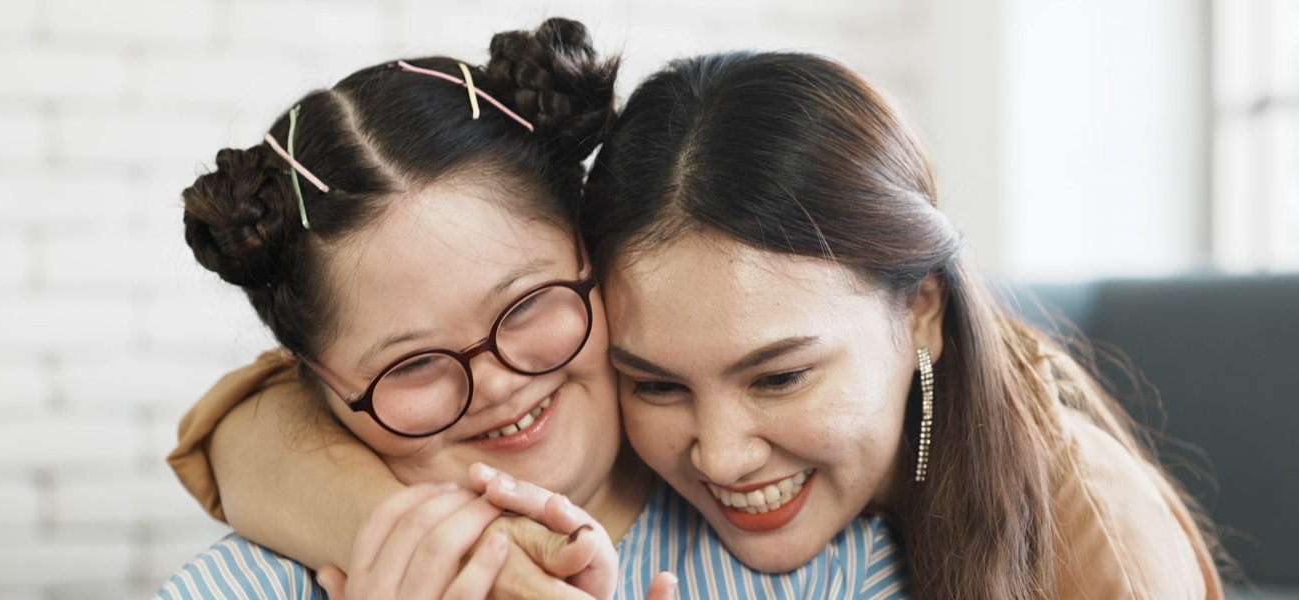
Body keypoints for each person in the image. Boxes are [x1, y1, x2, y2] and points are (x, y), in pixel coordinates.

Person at [169, 46, 1225, 599]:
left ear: (923, 317)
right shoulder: (265, 558)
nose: (716, 451)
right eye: (659, 382)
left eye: (779, 376)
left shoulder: (1064, 549)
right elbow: (248, 426)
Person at [155, 19, 904, 600]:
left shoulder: (845, 563)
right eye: (413, 364)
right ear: (316, 384)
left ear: (597, 259)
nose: (498, 383)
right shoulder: (247, 583)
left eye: (525, 306)